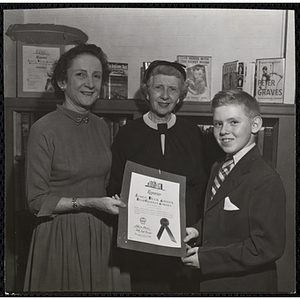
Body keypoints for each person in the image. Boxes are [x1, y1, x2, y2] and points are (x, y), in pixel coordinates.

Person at [23, 43, 130, 292]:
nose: (90, 84)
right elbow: (36, 201)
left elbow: (103, 182)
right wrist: (89, 202)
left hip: (102, 233)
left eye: (96, 76)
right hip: (61, 237)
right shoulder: (44, 129)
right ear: (62, 82)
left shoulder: (101, 126)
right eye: (80, 74)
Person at [107, 60, 208, 292]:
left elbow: (201, 186)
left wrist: (186, 226)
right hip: (141, 246)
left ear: (181, 95)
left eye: (172, 89)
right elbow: (115, 185)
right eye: (158, 88)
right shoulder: (127, 134)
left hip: (182, 243)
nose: (165, 96)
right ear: (147, 92)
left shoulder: (193, 134)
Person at [182, 90, 286, 293]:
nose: (223, 131)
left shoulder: (265, 179)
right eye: (218, 123)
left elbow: (266, 246)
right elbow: (218, 215)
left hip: (245, 286)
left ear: (255, 125)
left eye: (233, 122)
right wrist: (197, 230)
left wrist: (206, 258)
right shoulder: (218, 166)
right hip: (212, 284)